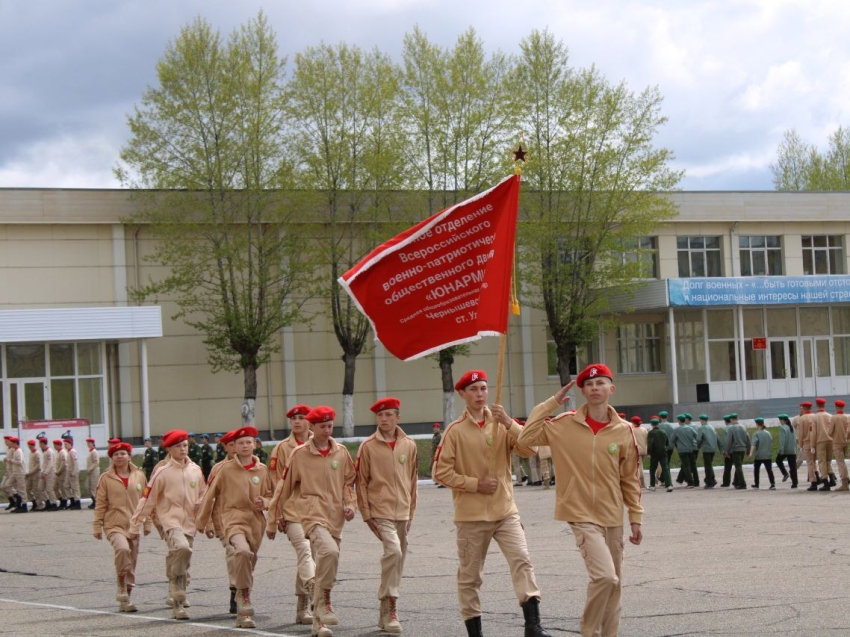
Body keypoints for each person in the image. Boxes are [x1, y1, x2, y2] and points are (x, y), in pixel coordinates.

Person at [519, 363, 643, 637]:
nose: (595, 388)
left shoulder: (623, 430)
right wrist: (551, 403)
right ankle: (589, 631)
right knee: (604, 577)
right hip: (580, 513)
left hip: (612, 515)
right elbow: (526, 438)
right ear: (582, 391)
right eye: (589, 384)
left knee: (616, 583)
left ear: (611, 388)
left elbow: (630, 477)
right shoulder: (564, 425)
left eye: (601, 383)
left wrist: (635, 516)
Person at [433, 369, 550, 637]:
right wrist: (476, 484)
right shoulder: (454, 431)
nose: (480, 394)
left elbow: (528, 449)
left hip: (505, 511)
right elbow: (440, 471)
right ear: (462, 394)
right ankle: (475, 632)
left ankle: (533, 625)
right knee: (470, 577)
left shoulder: (500, 423)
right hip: (471, 517)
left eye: (484, 389)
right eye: (473, 390)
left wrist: (509, 422)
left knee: (522, 561)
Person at [267, 406, 356, 637]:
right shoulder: (298, 454)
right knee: (328, 553)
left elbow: (348, 483)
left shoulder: (341, 452)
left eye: (330, 426)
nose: (327, 431)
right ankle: (324, 598)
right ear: (312, 427)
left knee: (325, 561)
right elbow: (282, 488)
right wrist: (273, 519)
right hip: (309, 514)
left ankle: (318, 622)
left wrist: (350, 505)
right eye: (322, 427)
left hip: (335, 517)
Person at [197, 425, 273, 630]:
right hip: (233, 519)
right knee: (241, 551)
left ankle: (242, 594)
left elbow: (271, 495)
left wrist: (264, 503)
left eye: (249, 442)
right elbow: (209, 496)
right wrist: (202, 522)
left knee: (249, 560)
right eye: (241, 443)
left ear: (255, 445)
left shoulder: (262, 470)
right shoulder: (224, 470)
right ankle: (244, 603)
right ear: (234, 447)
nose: (245, 446)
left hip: (256, 522)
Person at [355, 397, 419, 635]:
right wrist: (366, 513)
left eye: (389, 415)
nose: (384, 419)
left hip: (402, 510)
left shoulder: (409, 445)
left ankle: (385, 608)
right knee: (393, 551)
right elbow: (361, 482)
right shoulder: (368, 446)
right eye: (380, 416)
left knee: (398, 558)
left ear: (397, 417)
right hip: (379, 510)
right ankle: (391, 605)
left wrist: (411, 511)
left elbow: (412, 481)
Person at [130, 429, 207, 620]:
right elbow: (148, 500)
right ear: (169, 449)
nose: (183, 449)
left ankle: (177, 588)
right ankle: (177, 598)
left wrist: (208, 522)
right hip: (171, 522)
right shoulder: (162, 472)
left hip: (190, 522)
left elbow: (204, 497)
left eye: (185, 446)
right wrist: (136, 524)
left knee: (183, 558)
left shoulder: (195, 470)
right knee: (182, 549)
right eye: (178, 446)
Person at [267, 404, 316, 625]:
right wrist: (277, 515)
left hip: (317, 510)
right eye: (294, 418)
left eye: (301, 418)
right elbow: (275, 483)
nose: (297, 422)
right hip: (292, 510)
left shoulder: (320, 443)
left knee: (311, 558)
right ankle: (314, 590)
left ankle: (302, 608)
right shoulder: (282, 448)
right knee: (304, 551)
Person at [93, 441, 151, 612]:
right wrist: (97, 526)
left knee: (131, 563)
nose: (120, 457)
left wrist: (147, 523)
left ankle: (125, 600)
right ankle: (120, 583)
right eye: (116, 454)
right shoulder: (106, 478)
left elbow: (146, 501)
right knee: (123, 549)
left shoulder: (139, 476)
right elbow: (100, 504)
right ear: (112, 458)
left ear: (129, 456)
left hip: (133, 525)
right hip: (114, 524)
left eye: (123, 453)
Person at [202, 429, 240, 614]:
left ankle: (243, 588)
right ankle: (236, 591)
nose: (235, 448)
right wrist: (208, 523)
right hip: (224, 521)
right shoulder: (218, 469)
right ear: (225, 447)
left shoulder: (255, 467)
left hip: (248, 522)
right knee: (233, 551)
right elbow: (209, 498)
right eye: (231, 444)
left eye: (238, 443)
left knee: (247, 556)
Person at [812, 398, 835, 490]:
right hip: (830, 440)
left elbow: (813, 433)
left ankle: (825, 482)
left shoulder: (814, 417)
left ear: (816, 405)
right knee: (828, 460)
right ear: (824, 405)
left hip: (820, 441)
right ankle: (832, 478)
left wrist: (812, 445)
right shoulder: (830, 416)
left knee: (822, 461)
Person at [670, 415, 699, 488]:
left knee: (686, 466)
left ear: (679, 421)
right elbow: (697, 437)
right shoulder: (690, 428)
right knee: (692, 465)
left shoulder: (677, 429)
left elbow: (672, 440)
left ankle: (690, 482)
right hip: (691, 449)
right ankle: (695, 481)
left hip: (682, 450)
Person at [723, 415, 750, 489]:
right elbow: (748, 439)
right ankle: (736, 482)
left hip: (735, 449)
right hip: (743, 449)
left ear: (731, 420)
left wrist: (727, 451)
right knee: (739, 465)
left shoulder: (731, 428)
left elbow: (729, 441)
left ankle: (742, 483)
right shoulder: (743, 427)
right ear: (738, 419)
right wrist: (748, 449)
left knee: (738, 466)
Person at [3, 436, 28, 513]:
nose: (10, 444)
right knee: (7, 485)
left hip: (20, 472)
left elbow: (19, 462)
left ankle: (24, 506)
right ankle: (18, 497)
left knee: (22, 489)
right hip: (15, 472)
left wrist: (9, 460)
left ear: (15, 443)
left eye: (11, 443)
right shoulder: (15, 450)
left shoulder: (18, 451)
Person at [647, 417, 673, 492]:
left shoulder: (651, 433)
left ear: (652, 425)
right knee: (665, 468)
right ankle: (669, 485)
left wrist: (649, 452)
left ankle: (652, 486)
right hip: (663, 452)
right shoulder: (663, 432)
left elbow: (650, 444)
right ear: (658, 424)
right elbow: (667, 442)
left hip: (654, 453)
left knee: (652, 469)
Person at [749, 418, 776, 490]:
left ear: (757, 424)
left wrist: (751, 453)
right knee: (769, 470)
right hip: (768, 455)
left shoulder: (756, 434)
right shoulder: (768, 433)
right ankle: (772, 484)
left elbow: (753, 444)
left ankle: (757, 484)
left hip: (759, 455)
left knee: (756, 470)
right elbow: (771, 442)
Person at [696, 414, 718, 489]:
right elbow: (716, 437)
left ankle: (710, 481)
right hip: (713, 448)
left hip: (706, 449)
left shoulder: (701, 428)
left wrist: (698, 446)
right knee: (710, 464)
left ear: (702, 420)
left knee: (707, 466)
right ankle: (711, 479)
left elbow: (699, 439)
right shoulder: (712, 427)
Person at [831, 400, 850, 491]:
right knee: (843, 462)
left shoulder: (834, 418)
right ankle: (846, 478)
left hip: (837, 442)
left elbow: (830, 431)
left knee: (840, 462)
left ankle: (844, 483)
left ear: (836, 407)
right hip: (846, 441)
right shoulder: (847, 416)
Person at [38, 437, 57, 511]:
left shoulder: (49, 451)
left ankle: (54, 503)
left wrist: (45, 472)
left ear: (43, 443)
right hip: (44, 473)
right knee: (40, 488)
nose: (39, 445)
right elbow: (44, 464)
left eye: (40, 443)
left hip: (50, 473)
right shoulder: (45, 452)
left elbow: (50, 463)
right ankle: (47, 502)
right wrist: (42, 472)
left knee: (49, 489)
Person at [63, 436, 82, 509]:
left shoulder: (73, 451)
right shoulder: (68, 452)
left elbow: (75, 462)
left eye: (66, 444)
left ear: (70, 444)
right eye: (65, 444)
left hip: (73, 472)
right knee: (66, 486)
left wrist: (74, 472)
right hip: (69, 472)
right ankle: (72, 500)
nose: (65, 446)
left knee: (75, 487)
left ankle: (77, 502)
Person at [656, 411, 675, 482]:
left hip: (661, 447)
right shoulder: (670, 426)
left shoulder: (659, 426)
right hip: (670, 447)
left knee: (664, 464)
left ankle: (665, 479)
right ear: (667, 417)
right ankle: (663, 478)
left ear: (660, 418)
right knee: (667, 462)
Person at [25, 440, 43, 512]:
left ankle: (40, 505)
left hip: (36, 474)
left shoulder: (37, 453)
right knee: (27, 489)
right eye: (29, 446)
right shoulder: (30, 453)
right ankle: (33, 502)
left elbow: (38, 465)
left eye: (31, 446)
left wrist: (31, 472)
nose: (29, 447)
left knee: (36, 490)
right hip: (30, 474)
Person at [630, 416, 648, 489]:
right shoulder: (644, 429)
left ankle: (642, 482)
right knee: (640, 465)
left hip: (637, 450)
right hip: (644, 450)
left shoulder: (632, 430)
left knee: (639, 467)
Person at [86, 438, 100, 509]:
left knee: (93, 487)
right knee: (88, 487)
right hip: (90, 472)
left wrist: (90, 469)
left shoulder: (94, 452)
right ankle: (94, 500)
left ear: (93, 443)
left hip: (94, 471)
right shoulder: (91, 452)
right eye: (87, 443)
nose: (88, 445)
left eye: (89, 443)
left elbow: (96, 462)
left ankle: (96, 502)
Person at [431, 422, 444, 487]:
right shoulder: (434, 436)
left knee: (440, 468)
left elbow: (442, 445)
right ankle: (437, 480)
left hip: (439, 454)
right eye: (434, 428)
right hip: (435, 454)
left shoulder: (440, 436)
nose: (436, 429)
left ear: (439, 429)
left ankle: (442, 482)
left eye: (437, 428)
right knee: (435, 468)